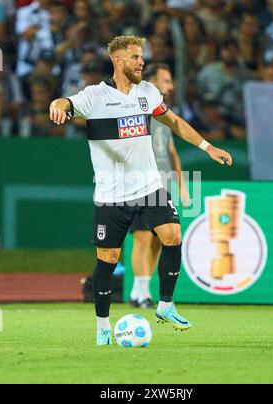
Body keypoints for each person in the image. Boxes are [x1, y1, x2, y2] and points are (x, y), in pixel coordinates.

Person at [49, 35, 233, 346]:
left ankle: (165, 305)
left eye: (142, 56)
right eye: (135, 57)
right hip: (111, 194)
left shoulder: (148, 92)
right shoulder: (95, 96)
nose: (141, 62)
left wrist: (207, 146)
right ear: (118, 61)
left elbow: (174, 122)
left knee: (173, 235)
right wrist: (57, 103)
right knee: (107, 259)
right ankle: (103, 326)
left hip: (150, 186)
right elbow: (67, 103)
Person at [129, 63, 190, 308]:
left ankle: (141, 291)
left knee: (158, 239)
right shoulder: (137, 107)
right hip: (141, 183)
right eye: (166, 80)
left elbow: (171, 150)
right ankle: (139, 292)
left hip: (162, 185)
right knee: (142, 236)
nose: (171, 85)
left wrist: (182, 184)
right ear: (152, 82)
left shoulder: (165, 113)